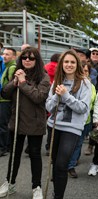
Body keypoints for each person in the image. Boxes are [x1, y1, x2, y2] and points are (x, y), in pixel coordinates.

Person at [0, 47, 50, 199]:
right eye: (24, 57)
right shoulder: (17, 73)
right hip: (17, 120)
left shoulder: (44, 77)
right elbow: (5, 93)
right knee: (14, 154)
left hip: (35, 122)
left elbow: (39, 97)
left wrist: (23, 83)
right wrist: (14, 82)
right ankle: (10, 182)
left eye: (31, 58)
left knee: (35, 154)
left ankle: (37, 187)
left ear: (37, 60)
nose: (27, 60)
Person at [46, 49, 91, 199]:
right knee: (54, 163)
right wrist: (56, 96)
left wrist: (66, 95)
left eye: (72, 62)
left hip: (72, 129)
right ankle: (55, 192)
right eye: (66, 62)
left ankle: (58, 196)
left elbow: (83, 108)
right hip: (54, 125)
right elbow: (48, 107)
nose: (69, 64)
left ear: (77, 64)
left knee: (61, 164)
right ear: (61, 64)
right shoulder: (56, 82)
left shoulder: (85, 83)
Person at [67, 61, 96, 178]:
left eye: (86, 71)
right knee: (67, 144)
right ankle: (61, 166)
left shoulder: (91, 86)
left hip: (85, 121)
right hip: (70, 120)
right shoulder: (72, 84)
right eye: (82, 71)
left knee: (78, 144)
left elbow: (92, 102)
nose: (84, 73)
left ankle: (71, 166)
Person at [0, 48, 17, 157]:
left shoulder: (12, 68)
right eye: (3, 54)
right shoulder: (7, 67)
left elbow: (11, 85)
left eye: (7, 54)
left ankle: (3, 148)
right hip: (4, 100)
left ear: (13, 57)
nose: (4, 56)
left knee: (3, 124)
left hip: (5, 100)